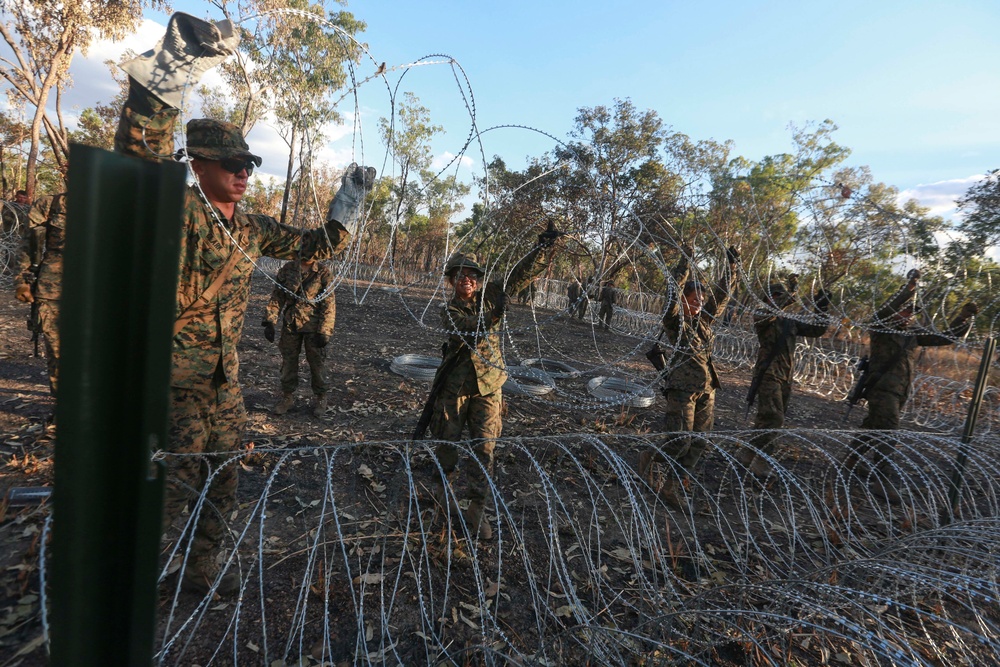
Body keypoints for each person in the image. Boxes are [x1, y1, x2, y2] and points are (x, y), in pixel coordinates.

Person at [115, 13, 373, 594]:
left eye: (248, 165)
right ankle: (141, 578)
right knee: (169, 483)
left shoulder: (252, 229)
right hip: (172, 377)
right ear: (198, 164)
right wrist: (170, 69)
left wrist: (346, 206)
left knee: (224, 479)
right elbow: (139, 156)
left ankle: (201, 570)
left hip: (223, 379)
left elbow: (316, 246)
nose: (242, 173)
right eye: (230, 164)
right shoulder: (175, 212)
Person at [426, 227, 561, 540]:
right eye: (459, 276)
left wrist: (542, 248)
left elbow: (519, 275)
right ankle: (442, 499)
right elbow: (467, 329)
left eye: (472, 275)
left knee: (485, 449)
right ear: (452, 281)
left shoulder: (491, 295)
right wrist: (495, 315)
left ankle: (477, 510)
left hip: (489, 387)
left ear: (479, 279)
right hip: (455, 389)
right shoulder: (449, 309)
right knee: (447, 447)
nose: (467, 280)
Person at [846, 269, 977, 503]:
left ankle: (848, 460)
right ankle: (881, 479)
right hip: (881, 389)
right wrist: (908, 289)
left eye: (912, 313)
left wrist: (963, 318)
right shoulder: (882, 328)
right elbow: (884, 311)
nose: (909, 316)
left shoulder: (912, 334)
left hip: (900, 390)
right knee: (888, 432)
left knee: (873, 427)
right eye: (905, 310)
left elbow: (945, 338)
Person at [638, 244, 739, 509]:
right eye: (692, 298)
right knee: (679, 441)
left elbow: (722, 297)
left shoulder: (704, 322)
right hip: (682, 390)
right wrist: (685, 262)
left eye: (700, 300)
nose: (698, 302)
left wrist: (731, 267)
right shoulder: (675, 323)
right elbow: (671, 294)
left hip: (707, 390)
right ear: (682, 299)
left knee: (700, 443)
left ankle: (672, 486)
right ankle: (650, 455)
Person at [739, 276, 831, 478]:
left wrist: (822, 306)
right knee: (774, 418)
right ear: (769, 298)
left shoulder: (789, 322)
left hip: (786, 376)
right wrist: (790, 295)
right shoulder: (763, 316)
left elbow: (817, 330)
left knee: (767, 419)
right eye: (776, 296)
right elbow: (770, 311)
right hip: (768, 374)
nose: (780, 299)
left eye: (780, 296)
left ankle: (748, 453)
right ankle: (762, 461)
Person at [263, 258, 336, 417]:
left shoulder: (322, 272)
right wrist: (270, 320)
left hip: (313, 326)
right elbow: (277, 296)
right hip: (291, 324)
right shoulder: (288, 269)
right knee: (288, 362)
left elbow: (329, 303)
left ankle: (321, 398)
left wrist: (325, 330)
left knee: (317, 364)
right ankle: (287, 398)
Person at [13, 193, 66, 397]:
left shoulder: (116, 202)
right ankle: (64, 410)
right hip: (54, 290)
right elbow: (27, 243)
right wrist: (21, 282)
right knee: (58, 353)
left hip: (105, 291)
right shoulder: (51, 204)